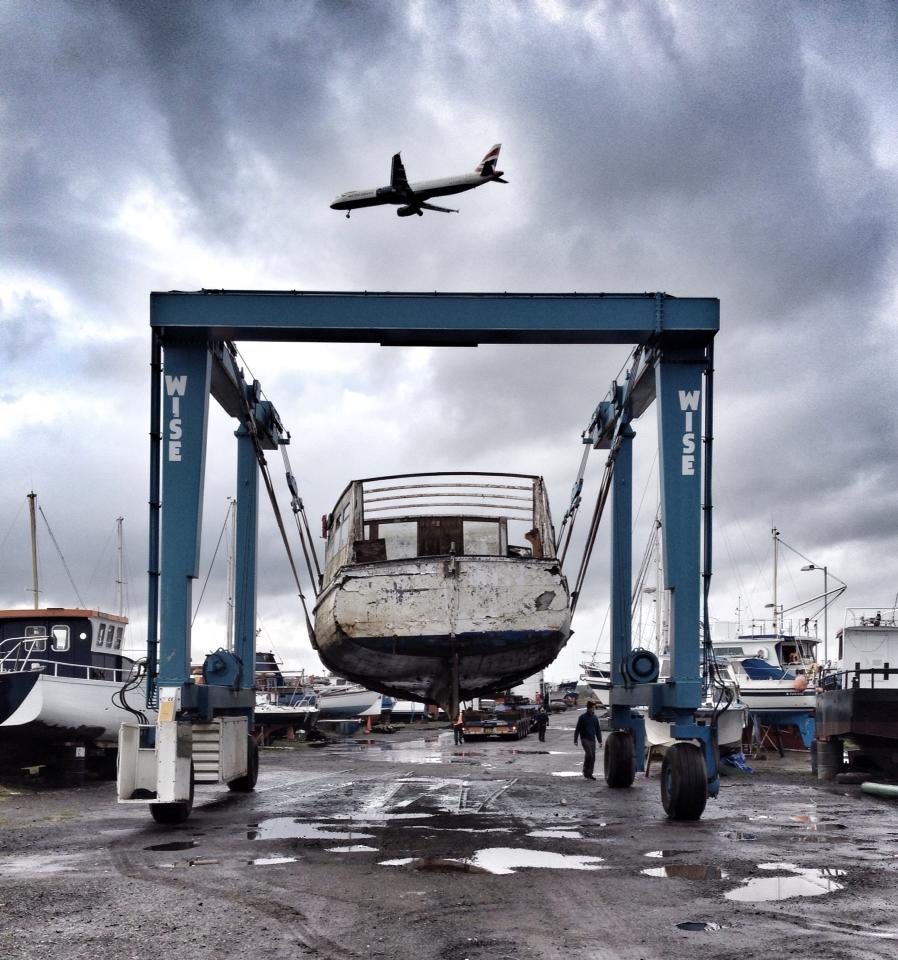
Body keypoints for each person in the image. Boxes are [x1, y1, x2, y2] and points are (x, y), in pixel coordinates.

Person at [573, 700, 603, 780]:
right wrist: (575, 740)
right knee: (589, 754)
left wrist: (600, 741)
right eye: (593, 708)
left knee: (592, 757)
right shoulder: (582, 717)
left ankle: (589, 774)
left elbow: (598, 730)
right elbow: (577, 729)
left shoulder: (595, 718)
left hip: (592, 740)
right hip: (584, 739)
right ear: (589, 708)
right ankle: (585, 770)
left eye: (594, 708)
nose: (594, 709)